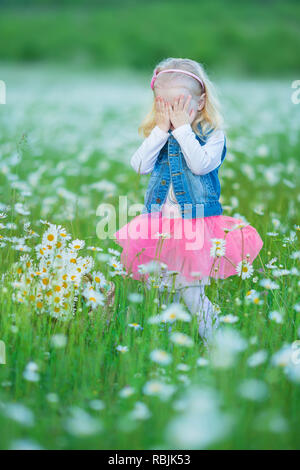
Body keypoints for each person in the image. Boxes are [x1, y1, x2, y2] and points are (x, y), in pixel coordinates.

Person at [113, 57, 263, 345]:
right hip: (160, 226)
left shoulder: (212, 135)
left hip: (194, 227)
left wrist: (182, 129)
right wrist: (160, 129)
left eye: (180, 105)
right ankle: (169, 350)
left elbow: (200, 165)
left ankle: (220, 343)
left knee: (191, 293)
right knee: (163, 292)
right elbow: (139, 165)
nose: (173, 113)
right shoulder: (160, 134)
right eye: (164, 105)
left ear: (201, 101)